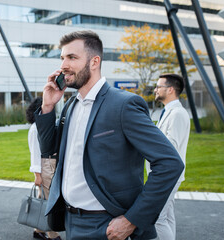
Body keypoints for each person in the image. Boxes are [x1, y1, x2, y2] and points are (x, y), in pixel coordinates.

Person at [34, 30, 184, 240]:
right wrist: (48, 106)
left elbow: (170, 163)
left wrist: (131, 220)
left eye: (72, 57)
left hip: (109, 226)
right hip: (71, 222)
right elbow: (49, 150)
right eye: (62, 58)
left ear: (94, 61)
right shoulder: (69, 105)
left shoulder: (124, 105)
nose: (63, 65)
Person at [146, 73, 190, 240]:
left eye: (159, 87)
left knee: (157, 218)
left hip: (167, 175)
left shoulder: (177, 114)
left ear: (170, 90)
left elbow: (170, 148)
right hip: (165, 174)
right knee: (168, 215)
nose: (155, 90)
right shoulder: (168, 112)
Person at [26, 97, 62, 240]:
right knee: (49, 202)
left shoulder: (44, 125)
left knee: (43, 200)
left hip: (48, 165)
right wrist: (37, 175)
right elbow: (35, 152)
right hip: (44, 166)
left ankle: (38, 230)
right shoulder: (35, 128)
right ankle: (52, 235)